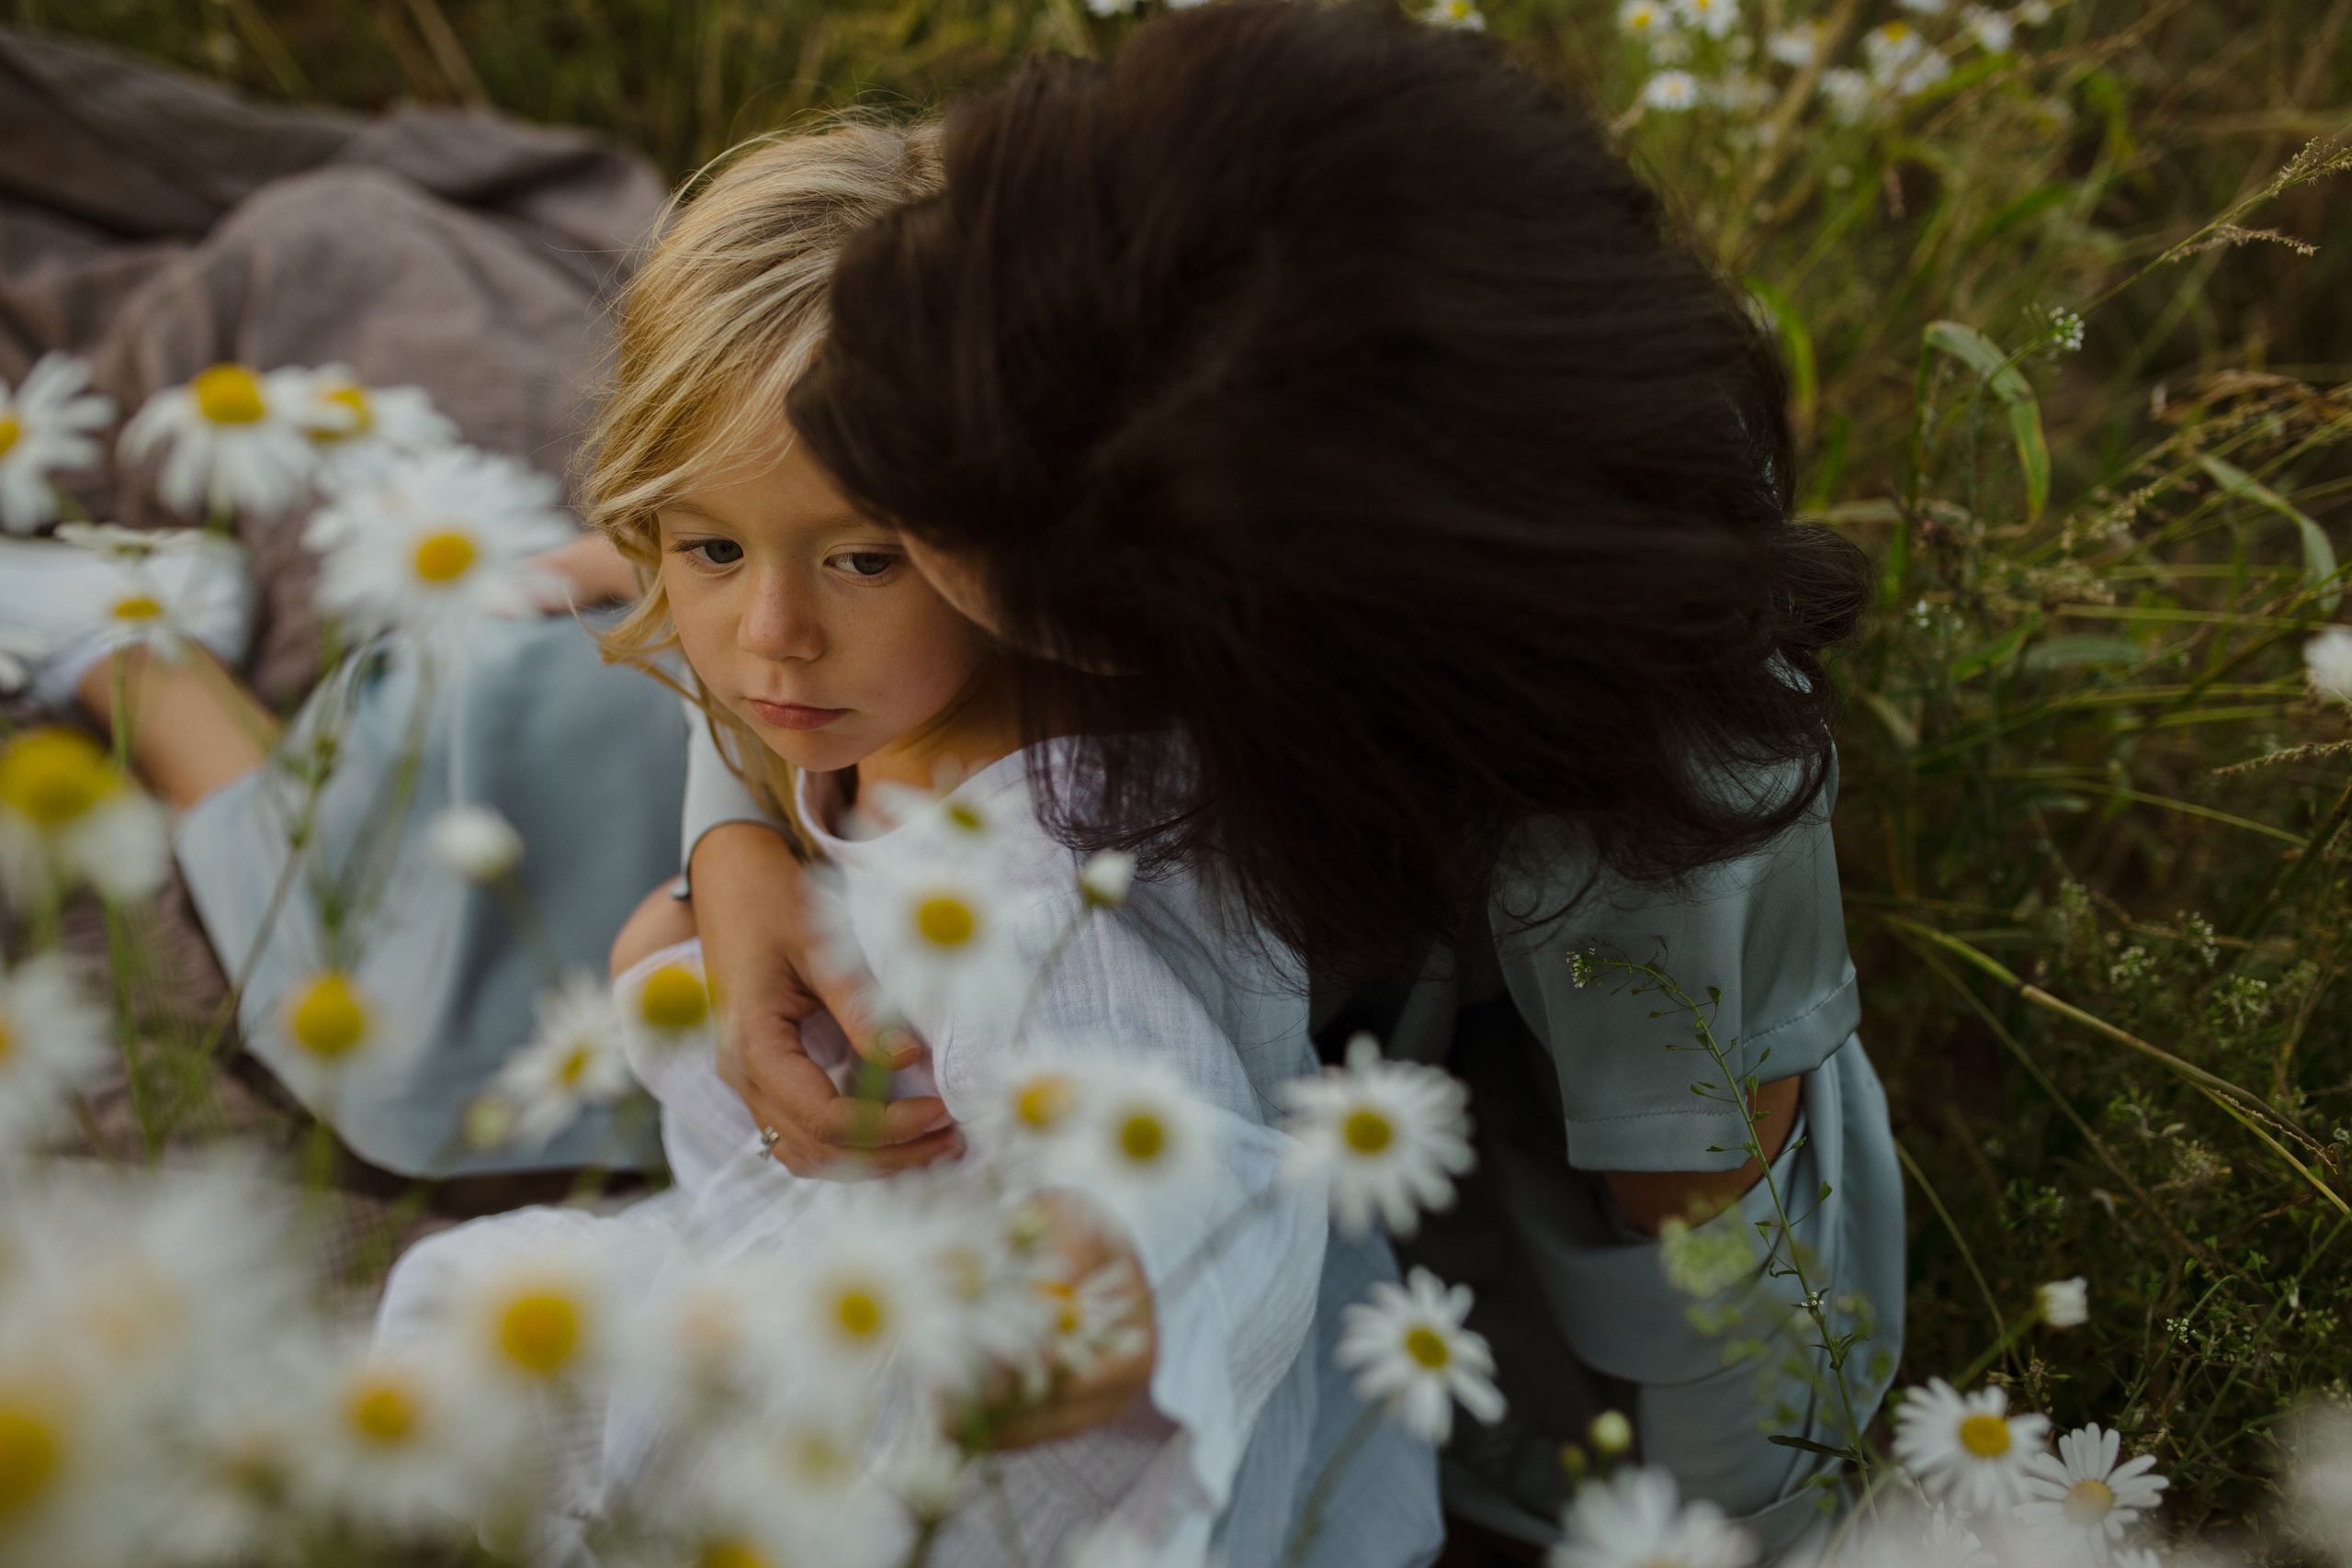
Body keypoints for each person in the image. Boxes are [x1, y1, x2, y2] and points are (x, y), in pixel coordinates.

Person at [684, 3, 1902, 1557]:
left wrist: (1741, 1540)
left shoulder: (1633, 821)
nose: (781, 622)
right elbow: (798, 599)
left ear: (1187, 617)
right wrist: (732, 844)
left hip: (1498, 1257)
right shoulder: (1106, 293)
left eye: (893, 547)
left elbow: (1708, 1260)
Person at [376, 121, 1441, 1568]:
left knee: (512, 1351)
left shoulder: (1040, 861)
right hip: (849, 1230)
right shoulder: (902, 703)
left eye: (863, 559)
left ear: (1017, 533)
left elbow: (1162, 1136)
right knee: (480, 1304)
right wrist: (725, 873)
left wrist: (1098, 1281)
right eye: (709, 547)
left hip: (972, 1393)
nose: (772, 635)